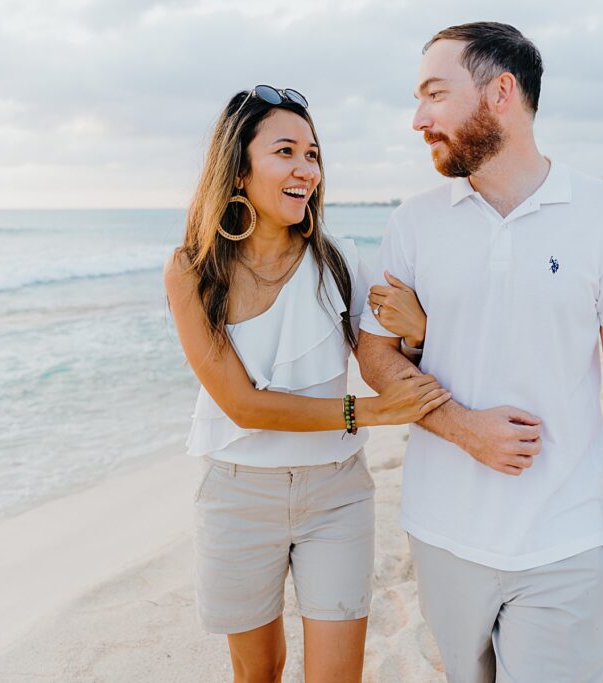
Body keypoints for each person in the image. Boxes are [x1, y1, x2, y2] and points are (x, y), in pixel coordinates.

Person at [357, 23, 603, 682]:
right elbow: (375, 354)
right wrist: (465, 428)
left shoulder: (602, 212)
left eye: (434, 95)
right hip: (442, 531)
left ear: (501, 92)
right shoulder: (412, 222)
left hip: (562, 531)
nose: (418, 119)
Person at [163, 85, 448, 682]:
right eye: (286, 151)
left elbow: (387, 361)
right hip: (238, 497)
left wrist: (420, 332)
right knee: (257, 673)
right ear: (238, 169)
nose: (305, 169)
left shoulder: (340, 264)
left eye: (313, 154)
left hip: (336, 496)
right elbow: (242, 405)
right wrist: (369, 414)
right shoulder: (193, 270)